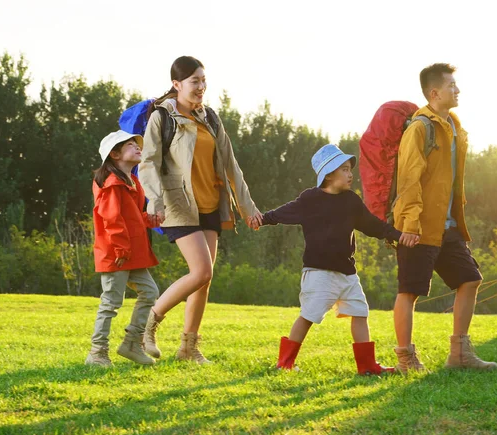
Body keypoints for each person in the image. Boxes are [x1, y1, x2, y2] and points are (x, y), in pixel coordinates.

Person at [249, 144, 414, 375]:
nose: (350, 174)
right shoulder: (310, 199)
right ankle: (285, 363)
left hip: (347, 272)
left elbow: (373, 225)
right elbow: (283, 212)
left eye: (350, 169)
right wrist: (263, 219)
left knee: (360, 312)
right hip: (319, 273)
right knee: (309, 315)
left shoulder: (351, 201)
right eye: (344, 169)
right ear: (328, 174)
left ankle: (367, 366)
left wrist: (398, 236)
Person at [139, 56, 262, 364]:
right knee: (201, 271)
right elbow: (148, 163)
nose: (201, 87)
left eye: (203, 81)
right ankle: (148, 323)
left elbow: (231, 166)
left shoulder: (210, 118)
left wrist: (247, 207)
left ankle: (188, 348)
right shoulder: (162, 118)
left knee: (204, 280)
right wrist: (154, 202)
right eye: (194, 81)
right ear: (176, 84)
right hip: (178, 205)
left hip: (211, 205)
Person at [392, 63, 497, 373]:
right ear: (434, 92)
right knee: (409, 291)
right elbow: (408, 180)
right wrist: (409, 224)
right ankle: (405, 359)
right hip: (419, 224)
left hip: (447, 224)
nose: (458, 90)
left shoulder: (453, 125)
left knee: (470, 279)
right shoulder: (420, 128)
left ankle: (460, 353)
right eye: (452, 85)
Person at [86, 130, 161, 367]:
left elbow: (132, 216)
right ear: (115, 154)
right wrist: (120, 249)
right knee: (111, 302)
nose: (138, 147)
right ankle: (97, 353)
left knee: (150, 292)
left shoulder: (132, 181)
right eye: (130, 145)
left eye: (137, 144)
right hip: (117, 254)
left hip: (132, 253)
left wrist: (152, 219)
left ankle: (131, 343)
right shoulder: (111, 183)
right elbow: (112, 219)